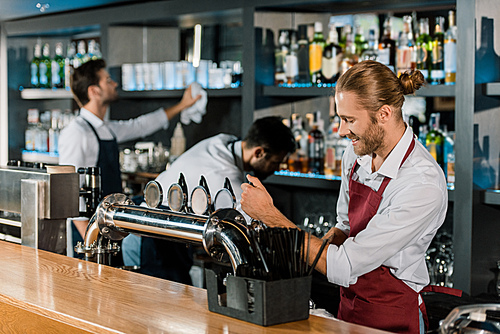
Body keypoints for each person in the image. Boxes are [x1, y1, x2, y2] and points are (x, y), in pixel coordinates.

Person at [240, 60, 453, 334]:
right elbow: (345, 227)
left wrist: (271, 218)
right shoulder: (356, 154)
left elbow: (346, 263)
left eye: (349, 120)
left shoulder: (420, 183)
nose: (341, 131)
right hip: (349, 305)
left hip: (392, 316)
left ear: (384, 113)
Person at [121, 116, 296, 284]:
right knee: (163, 307)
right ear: (259, 152)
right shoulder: (224, 174)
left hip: (154, 225)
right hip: (151, 236)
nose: (276, 169)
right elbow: (252, 225)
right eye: (275, 163)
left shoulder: (223, 141)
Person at [59, 59, 201, 250]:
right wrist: (91, 243)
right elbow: (70, 193)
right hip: (91, 233)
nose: (114, 84)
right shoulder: (77, 132)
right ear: (94, 91)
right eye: (108, 80)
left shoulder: (105, 128)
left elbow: (140, 126)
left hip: (110, 227)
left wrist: (182, 105)